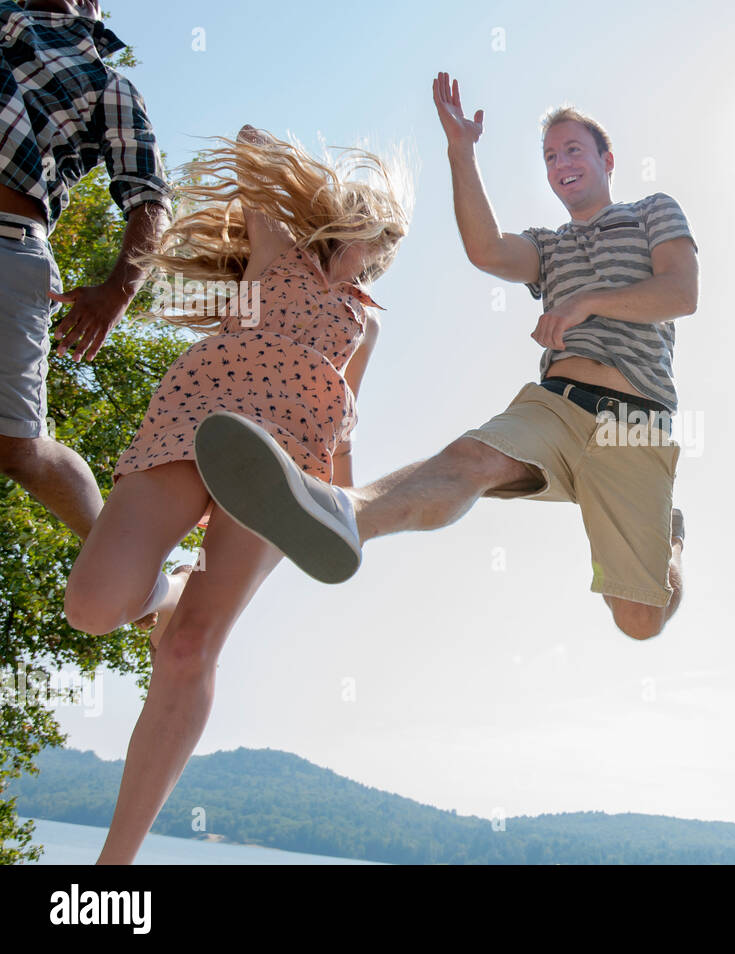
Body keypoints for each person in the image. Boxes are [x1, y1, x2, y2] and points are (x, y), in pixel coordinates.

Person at [193, 72, 698, 640]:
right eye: (550, 155)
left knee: (637, 620)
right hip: (554, 406)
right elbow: (486, 250)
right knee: (471, 461)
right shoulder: (549, 246)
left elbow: (681, 294)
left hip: (633, 420)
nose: (561, 163)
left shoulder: (653, 211)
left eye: (573, 149)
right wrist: (461, 151)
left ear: (607, 159)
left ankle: (670, 540)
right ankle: (342, 512)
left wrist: (586, 302)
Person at [61, 125, 410, 864]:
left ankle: (111, 870)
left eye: (384, 256)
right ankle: (166, 590)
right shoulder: (276, 244)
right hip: (201, 418)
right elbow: (252, 142)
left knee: (192, 648)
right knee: (92, 607)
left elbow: (344, 423)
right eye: (371, 244)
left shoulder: (365, 323)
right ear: (349, 225)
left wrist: (337, 505)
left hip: (282, 465)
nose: (373, 264)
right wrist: (316, 187)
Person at [0, 0, 168, 609]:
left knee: (15, 446)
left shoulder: (106, 85)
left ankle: (137, 577)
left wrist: (116, 293)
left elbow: (150, 199)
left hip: (9, 247)